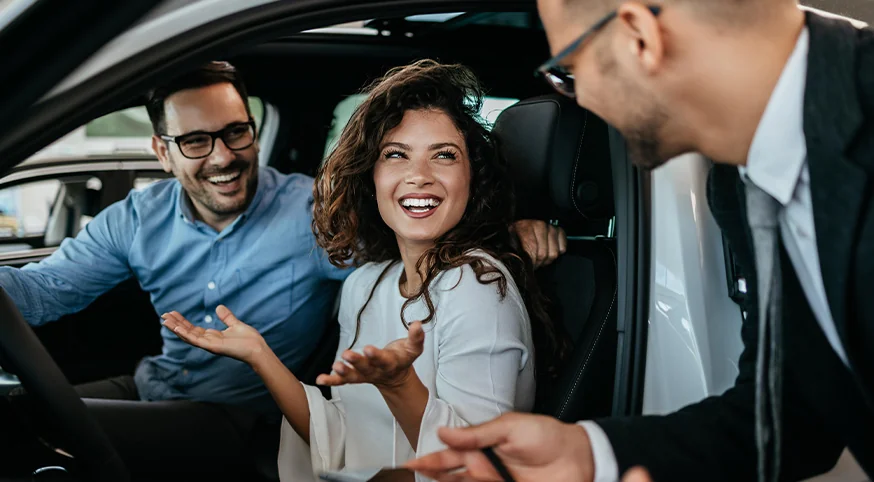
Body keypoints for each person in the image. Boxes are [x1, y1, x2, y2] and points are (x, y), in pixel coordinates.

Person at [0, 61, 566, 477]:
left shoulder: (316, 218)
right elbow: (45, 290)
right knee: (21, 408)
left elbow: (423, 245)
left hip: (235, 417)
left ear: (251, 129)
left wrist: (501, 234)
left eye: (235, 132)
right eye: (196, 141)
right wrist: (258, 350)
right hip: (155, 385)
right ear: (161, 151)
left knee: (36, 431)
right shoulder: (136, 218)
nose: (222, 156)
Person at [406, 1, 874, 482]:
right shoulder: (738, 183)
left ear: (640, 37)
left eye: (567, 73)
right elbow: (790, 418)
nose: (579, 101)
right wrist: (592, 452)